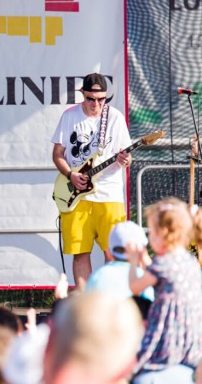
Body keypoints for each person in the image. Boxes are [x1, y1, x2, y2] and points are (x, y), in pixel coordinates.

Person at [51, 73, 132, 285]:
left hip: (110, 194)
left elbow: (127, 156)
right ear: (82, 95)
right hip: (77, 197)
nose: (96, 104)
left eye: (101, 99)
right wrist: (70, 174)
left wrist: (126, 159)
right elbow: (58, 154)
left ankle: (110, 303)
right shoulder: (69, 116)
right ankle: (85, 305)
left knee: (114, 254)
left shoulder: (115, 117)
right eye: (90, 99)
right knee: (80, 253)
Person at [127, 198, 202, 383]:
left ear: (164, 232)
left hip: (166, 339)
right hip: (190, 341)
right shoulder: (189, 261)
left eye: (152, 232)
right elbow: (163, 278)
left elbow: (135, 286)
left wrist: (134, 261)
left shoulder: (163, 263)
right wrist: (146, 260)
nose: (149, 237)